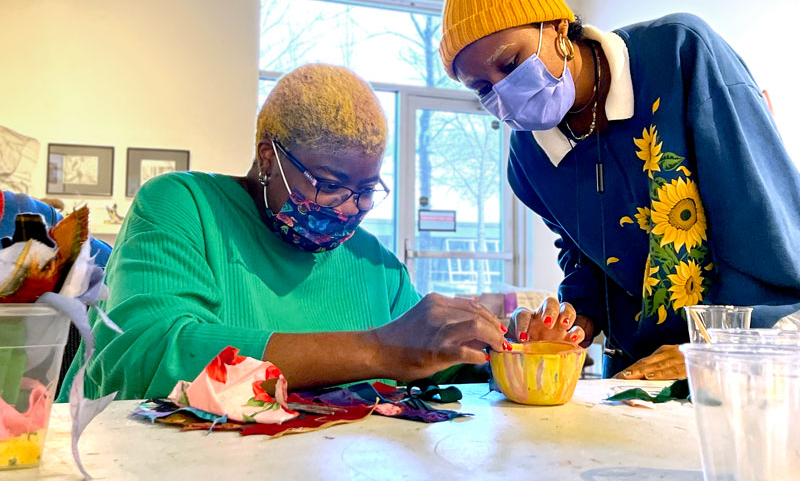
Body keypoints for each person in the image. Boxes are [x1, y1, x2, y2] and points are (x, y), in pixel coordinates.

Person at [62, 63, 576, 401]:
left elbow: (433, 363)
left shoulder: (373, 265)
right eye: (330, 185)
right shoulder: (184, 207)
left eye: (368, 189)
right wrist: (377, 350)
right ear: (269, 156)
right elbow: (141, 358)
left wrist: (516, 352)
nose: (350, 209)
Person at [439, 0, 800, 379]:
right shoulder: (529, 159)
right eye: (482, 88)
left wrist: (711, 354)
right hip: (638, 374)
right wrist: (572, 321)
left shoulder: (680, 56)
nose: (504, 90)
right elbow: (588, 261)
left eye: (511, 63)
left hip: (750, 356)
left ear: (556, 27)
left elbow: (762, 221)